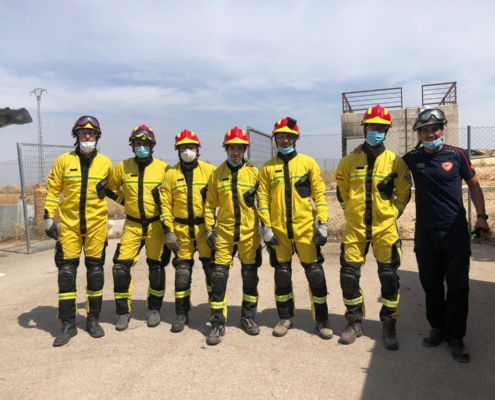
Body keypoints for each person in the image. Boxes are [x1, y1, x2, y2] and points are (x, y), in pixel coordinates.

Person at [403, 108, 489, 362]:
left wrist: (482, 217)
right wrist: (359, 150)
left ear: (442, 129)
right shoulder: (411, 157)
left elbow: (474, 185)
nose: (431, 134)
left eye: (435, 128)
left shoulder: (458, 155)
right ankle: (438, 329)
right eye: (425, 130)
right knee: (431, 285)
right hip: (425, 233)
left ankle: (456, 337)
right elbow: (386, 163)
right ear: (418, 133)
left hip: (454, 231)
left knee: (458, 286)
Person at [335, 104, 411, 350]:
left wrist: (393, 214)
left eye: (381, 128)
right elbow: (341, 191)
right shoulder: (349, 161)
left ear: (386, 131)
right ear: (364, 128)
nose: (375, 131)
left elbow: (404, 194)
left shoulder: (396, 163)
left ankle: (389, 325)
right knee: (348, 276)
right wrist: (349, 211)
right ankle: (354, 322)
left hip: (385, 229)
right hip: (355, 229)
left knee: (389, 277)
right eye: (372, 127)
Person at [258, 117, 333, 339]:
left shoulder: (308, 163)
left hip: (305, 229)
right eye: (281, 135)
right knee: (282, 275)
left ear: (296, 138)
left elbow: (319, 194)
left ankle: (322, 320)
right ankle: (285, 317)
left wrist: (324, 222)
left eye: (289, 136)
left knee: (315, 275)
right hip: (279, 231)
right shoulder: (267, 168)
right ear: (275, 139)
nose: (285, 139)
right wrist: (267, 228)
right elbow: (262, 199)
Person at [44, 115, 114, 347]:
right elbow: (53, 190)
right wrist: (47, 216)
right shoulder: (63, 161)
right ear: (75, 136)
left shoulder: (105, 163)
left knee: (95, 273)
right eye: (83, 133)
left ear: (97, 136)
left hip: (95, 226)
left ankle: (93, 320)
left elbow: (113, 190)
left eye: (91, 133)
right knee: (66, 275)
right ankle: (67, 324)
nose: (87, 136)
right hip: (71, 226)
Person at [106, 125, 170, 331]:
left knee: (156, 269)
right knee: (120, 268)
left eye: (145, 144)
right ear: (132, 145)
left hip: (155, 225)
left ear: (153, 146)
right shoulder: (123, 167)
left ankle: (154, 309)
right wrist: (125, 201)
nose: (141, 147)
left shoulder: (164, 168)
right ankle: (123, 313)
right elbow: (110, 187)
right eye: (137, 143)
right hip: (132, 224)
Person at [203, 127, 262, 345]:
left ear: (245, 150)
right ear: (226, 149)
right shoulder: (217, 175)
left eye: (240, 148)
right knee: (218, 278)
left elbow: (264, 201)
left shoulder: (254, 173)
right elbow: (209, 205)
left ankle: (248, 317)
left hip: (248, 233)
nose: (236, 152)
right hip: (225, 233)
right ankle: (217, 323)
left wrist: (266, 228)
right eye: (232, 148)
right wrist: (209, 228)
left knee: (250, 276)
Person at [160, 129, 216, 333]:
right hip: (181, 229)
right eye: (183, 147)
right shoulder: (170, 175)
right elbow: (164, 206)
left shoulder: (210, 171)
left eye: (191, 147)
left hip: (204, 228)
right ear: (177, 150)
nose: (187, 151)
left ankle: (215, 311)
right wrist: (169, 231)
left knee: (213, 272)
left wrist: (247, 166)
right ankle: (181, 313)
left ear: (197, 149)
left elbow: (227, 185)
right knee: (182, 273)